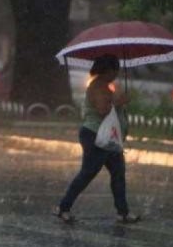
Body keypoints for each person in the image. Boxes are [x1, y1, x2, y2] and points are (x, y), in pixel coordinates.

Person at [55, 54, 141, 224]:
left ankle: (123, 212)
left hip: (109, 139)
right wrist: (118, 102)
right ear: (107, 70)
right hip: (96, 136)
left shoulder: (106, 86)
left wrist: (118, 102)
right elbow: (102, 110)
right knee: (87, 173)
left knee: (118, 174)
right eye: (115, 70)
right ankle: (63, 207)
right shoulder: (97, 87)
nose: (116, 73)